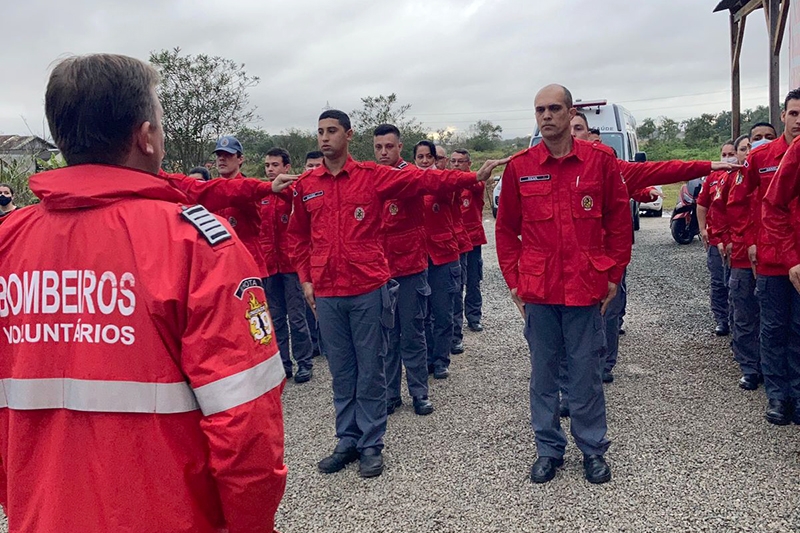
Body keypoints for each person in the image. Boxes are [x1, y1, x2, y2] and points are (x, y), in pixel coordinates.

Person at [0, 53, 286, 533]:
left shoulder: (9, 242)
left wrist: (25, 499)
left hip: (41, 516)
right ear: (146, 135)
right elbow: (246, 422)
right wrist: (250, 524)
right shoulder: (197, 244)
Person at [287, 110, 504, 478]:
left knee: (371, 367)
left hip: (367, 287)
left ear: (348, 135)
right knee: (342, 371)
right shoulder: (308, 184)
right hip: (327, 290)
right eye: (320, 132)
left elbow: (425, 181)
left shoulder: (373, 178)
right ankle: (347, 439)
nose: (324, 138)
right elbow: (297, 236)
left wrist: (471, 176)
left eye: (332, 131)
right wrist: (306, 279)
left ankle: (371, 442)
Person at [497, 84, 632, 485]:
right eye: (540, 110)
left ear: (569, 111)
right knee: (543, 375)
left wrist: (613, 275)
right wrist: (514, 283)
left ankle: (592, 449)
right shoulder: (520, 166)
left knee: (586, 373)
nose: (547, 116)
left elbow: (618, 224)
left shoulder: (599, 162)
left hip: (585, 286)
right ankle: (548, 449)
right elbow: (506, 232)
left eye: (555, 108)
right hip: (538, 290)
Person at [735, 88, 800, 425]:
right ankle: (777, 397)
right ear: (783, 116)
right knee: (773, 328)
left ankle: (797, 396)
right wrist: (750, 241)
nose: (798, 120)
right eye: (793, 113)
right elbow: (743, 203)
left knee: (798, 330)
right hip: (774, 259)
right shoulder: (762, 158)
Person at [373, 124, 433, 416]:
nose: (383, 152)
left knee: (412, 334)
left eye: (389, 147)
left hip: (409, 268)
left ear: (399, 147)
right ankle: (390, 394)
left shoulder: (410, 176)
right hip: (381, 271)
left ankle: (419, 392)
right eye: (378, 147)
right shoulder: (371, 179)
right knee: (386, 337)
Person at [262, 148, 314, 383]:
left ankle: (304, 361)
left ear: (286, 168)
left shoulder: (294, 192)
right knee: (275, 319)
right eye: (267, 166)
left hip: (291, 264)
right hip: (269, 265)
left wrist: (282, 189)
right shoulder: (261, 194)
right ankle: (283, 363)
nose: (270, 169)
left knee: (296, 317)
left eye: (275, 165)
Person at [719, 133, 763, 390]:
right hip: (742, 259)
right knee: (744, 314)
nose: (751, 150)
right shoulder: (734, 178)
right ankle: (749, 367)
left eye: (767, 138)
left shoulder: (777, 170)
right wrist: (726, 238)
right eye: (746, 146)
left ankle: (769, 367)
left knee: (771, 319)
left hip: (772, 258)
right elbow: (720, 210)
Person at [416, 140, 463, 377]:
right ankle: (426, 359)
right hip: (418, 257)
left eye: (428, 157)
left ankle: (442, 359)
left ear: (435, 159)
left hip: (443, 255)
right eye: (420, 157)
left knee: (443, 312)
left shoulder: (444, 183)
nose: (424, 161)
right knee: (421, 315)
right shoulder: (409, 182)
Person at [762, 133, 800, 424]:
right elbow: (769, 206)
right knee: (776, 329)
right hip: (780, 260)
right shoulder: (794, 152)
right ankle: (778, 395)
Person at [212, 135, 268, 278]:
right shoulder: (212, 189)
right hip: (222, 264)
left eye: (228, 155)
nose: (222, 159)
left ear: (240, 159)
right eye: (219, 155)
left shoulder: (248, 188)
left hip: (248, 264)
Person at [697, 141, 737, 336]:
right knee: (718, 281)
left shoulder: (741, 175)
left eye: (731, 153)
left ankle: (735, 318)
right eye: (724, 154)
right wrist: (703, 228)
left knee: (734, 282)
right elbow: (702, 204)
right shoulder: (713, 178)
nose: (727, 157)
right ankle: (721, 319)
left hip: (736, 239)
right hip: (715, 238)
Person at [453, 149, 486, 334]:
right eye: (454, 161)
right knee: (456, 283)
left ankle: (474, 317)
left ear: (468, 164)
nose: (457, 164)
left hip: (473, 240)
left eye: (461, 161)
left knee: (473, 280)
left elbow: (477, 184)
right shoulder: (450, 183)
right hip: (456, 241)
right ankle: (455, 322)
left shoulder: (475, 183)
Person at [303, 150, 325, 356]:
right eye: (309, 166)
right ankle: (314, 346)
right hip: (305, 261)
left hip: (325, 262)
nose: (312, 170)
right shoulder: (301, 190)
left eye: (317, 166)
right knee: (306, 306)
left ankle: (321, 343)